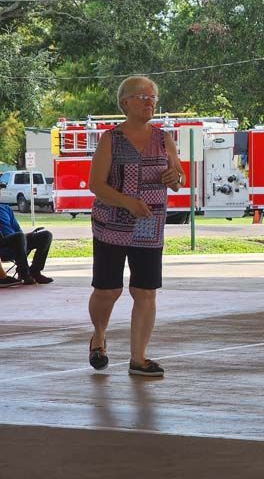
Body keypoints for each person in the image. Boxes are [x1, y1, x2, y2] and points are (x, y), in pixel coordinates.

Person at [87, 76, 183, 377]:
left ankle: (138, 358)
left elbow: (178, 178)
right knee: (108, 290)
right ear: (125, 102)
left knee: (145, 291)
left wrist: (175, 177)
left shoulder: (164, 138)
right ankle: (99, 336)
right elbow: (96, 185)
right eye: (142, 96)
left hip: (149, 226)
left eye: (153, 97)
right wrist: (126, 202)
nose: (149, 102)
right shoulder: (110, 139)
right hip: (111, 225)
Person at [0, 203, 53, 286]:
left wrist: (26, 236)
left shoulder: (5, 208)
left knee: (46, 235)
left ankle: (35, 271)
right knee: (19, 237)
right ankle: (24, 273)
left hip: (18, 241)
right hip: (3, 245)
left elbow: (17, 230)